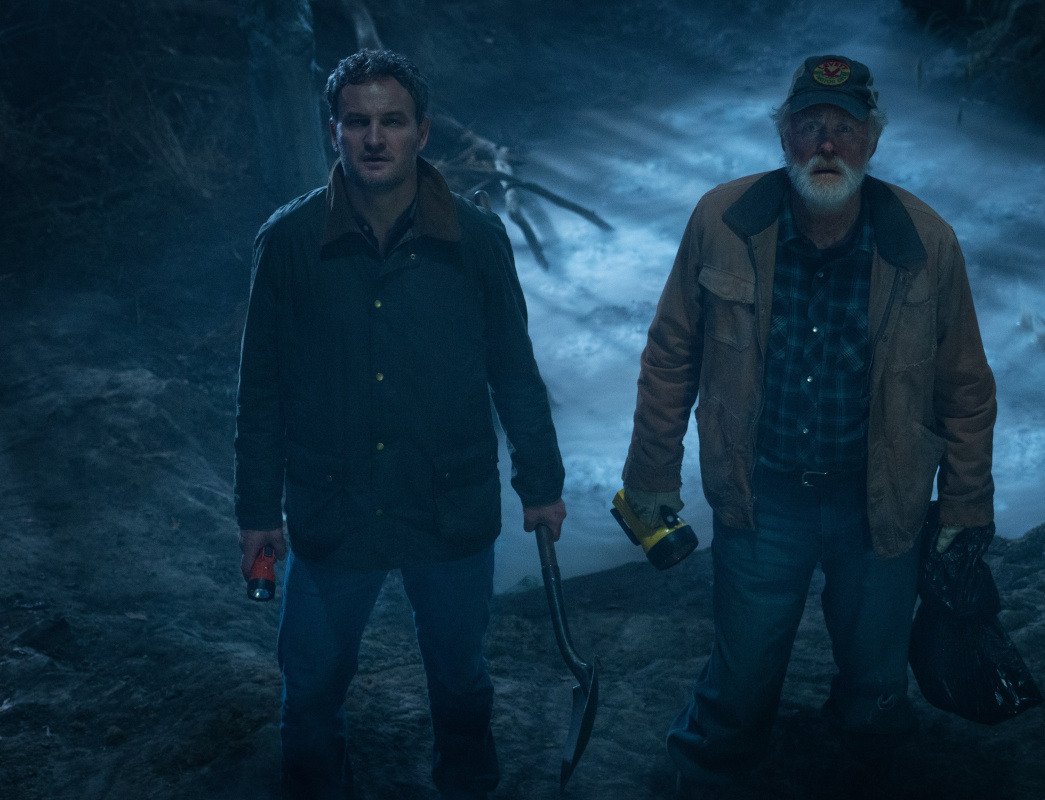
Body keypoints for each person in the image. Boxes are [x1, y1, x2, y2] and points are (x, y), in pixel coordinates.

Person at [621, 54, 996, 797]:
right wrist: (650, 479)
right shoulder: (722, 221)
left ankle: (864, 775)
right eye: (809, 125)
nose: (826, 144)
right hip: (763, 498)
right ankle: (708, 775)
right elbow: (670, 356)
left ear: (873, 140)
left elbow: (964, 386)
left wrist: (964, 508)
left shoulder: (926, 240)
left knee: (876, 684)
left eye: (845, 128)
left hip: (877, 502)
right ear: (783, 135)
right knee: (740, 680)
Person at [234, 48, 566, 800]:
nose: (374, 138)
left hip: (447, 502)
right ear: (334, 131)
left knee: (461, 679)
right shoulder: (290, 242)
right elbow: (261, 390)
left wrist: (541, 484)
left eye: (391, 121)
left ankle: (466, 787)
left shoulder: (475, 240)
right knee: (309, 687)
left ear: (422, 131)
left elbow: (514, 370)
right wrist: (257, 513)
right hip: (334, 505)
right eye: (358, 122)